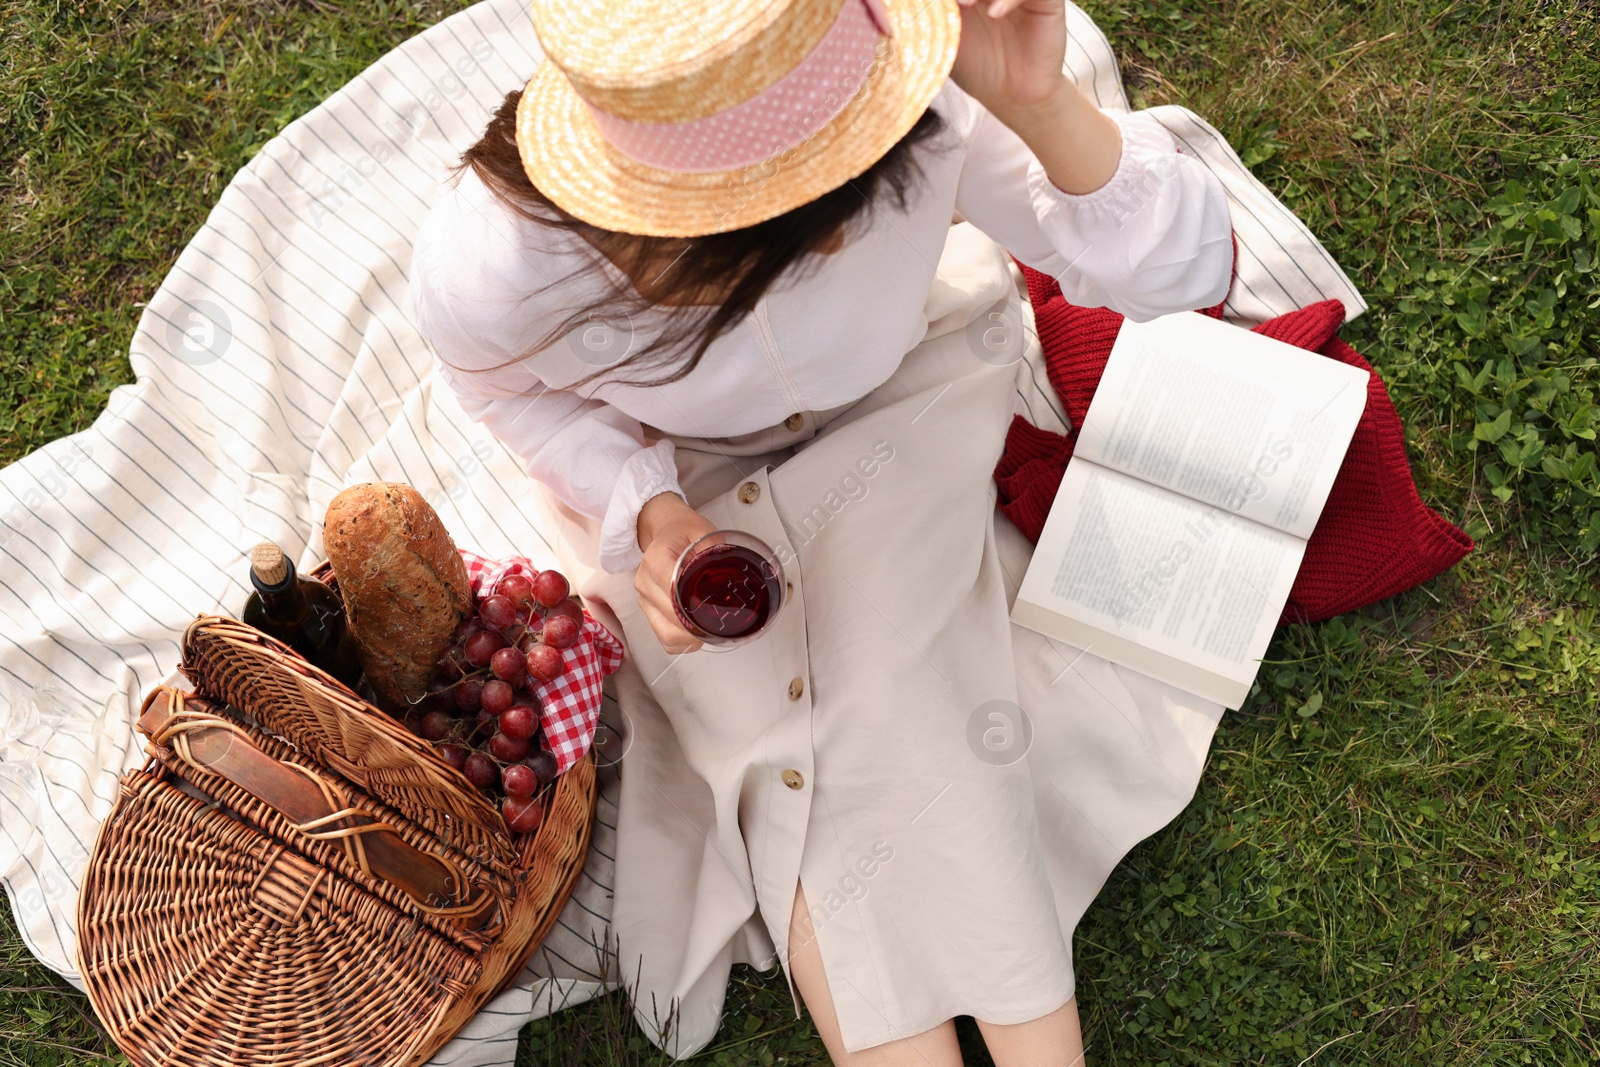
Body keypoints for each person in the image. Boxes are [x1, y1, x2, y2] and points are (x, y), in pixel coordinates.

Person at [410, 0, 1234, 1062]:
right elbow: (510, 397)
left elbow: (1184, 275)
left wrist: (1039, 102)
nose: (846, 226)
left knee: (902, 688)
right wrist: (651, 511)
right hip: (688, 474)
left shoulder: (915, 95)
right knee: (768, 734)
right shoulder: (501, 261)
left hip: (906, 400)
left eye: (849, 177)